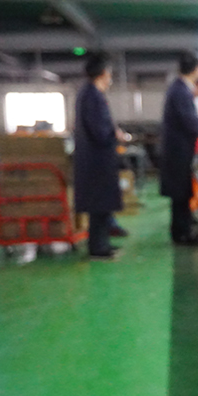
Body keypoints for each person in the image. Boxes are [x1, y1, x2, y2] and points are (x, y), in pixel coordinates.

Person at [74, 53, 126, 259]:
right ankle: (97, 248)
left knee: (102, 206)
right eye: (109, 72)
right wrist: (115, 134)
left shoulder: (90, 93)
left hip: (97, 157)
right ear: (103, 73)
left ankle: (102, 243)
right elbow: (99, 131)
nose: (110, 76)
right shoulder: (92, 96)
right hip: (96, 160)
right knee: (99, 205)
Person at [160, 53, 198, 245]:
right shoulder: (181, 90)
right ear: (195, 69)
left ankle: (182, 230)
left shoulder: (179, 88)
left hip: (179, 149)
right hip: (178, 151)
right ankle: (182, 234)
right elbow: (189, 120)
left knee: (181, 193)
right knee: (180, 192)